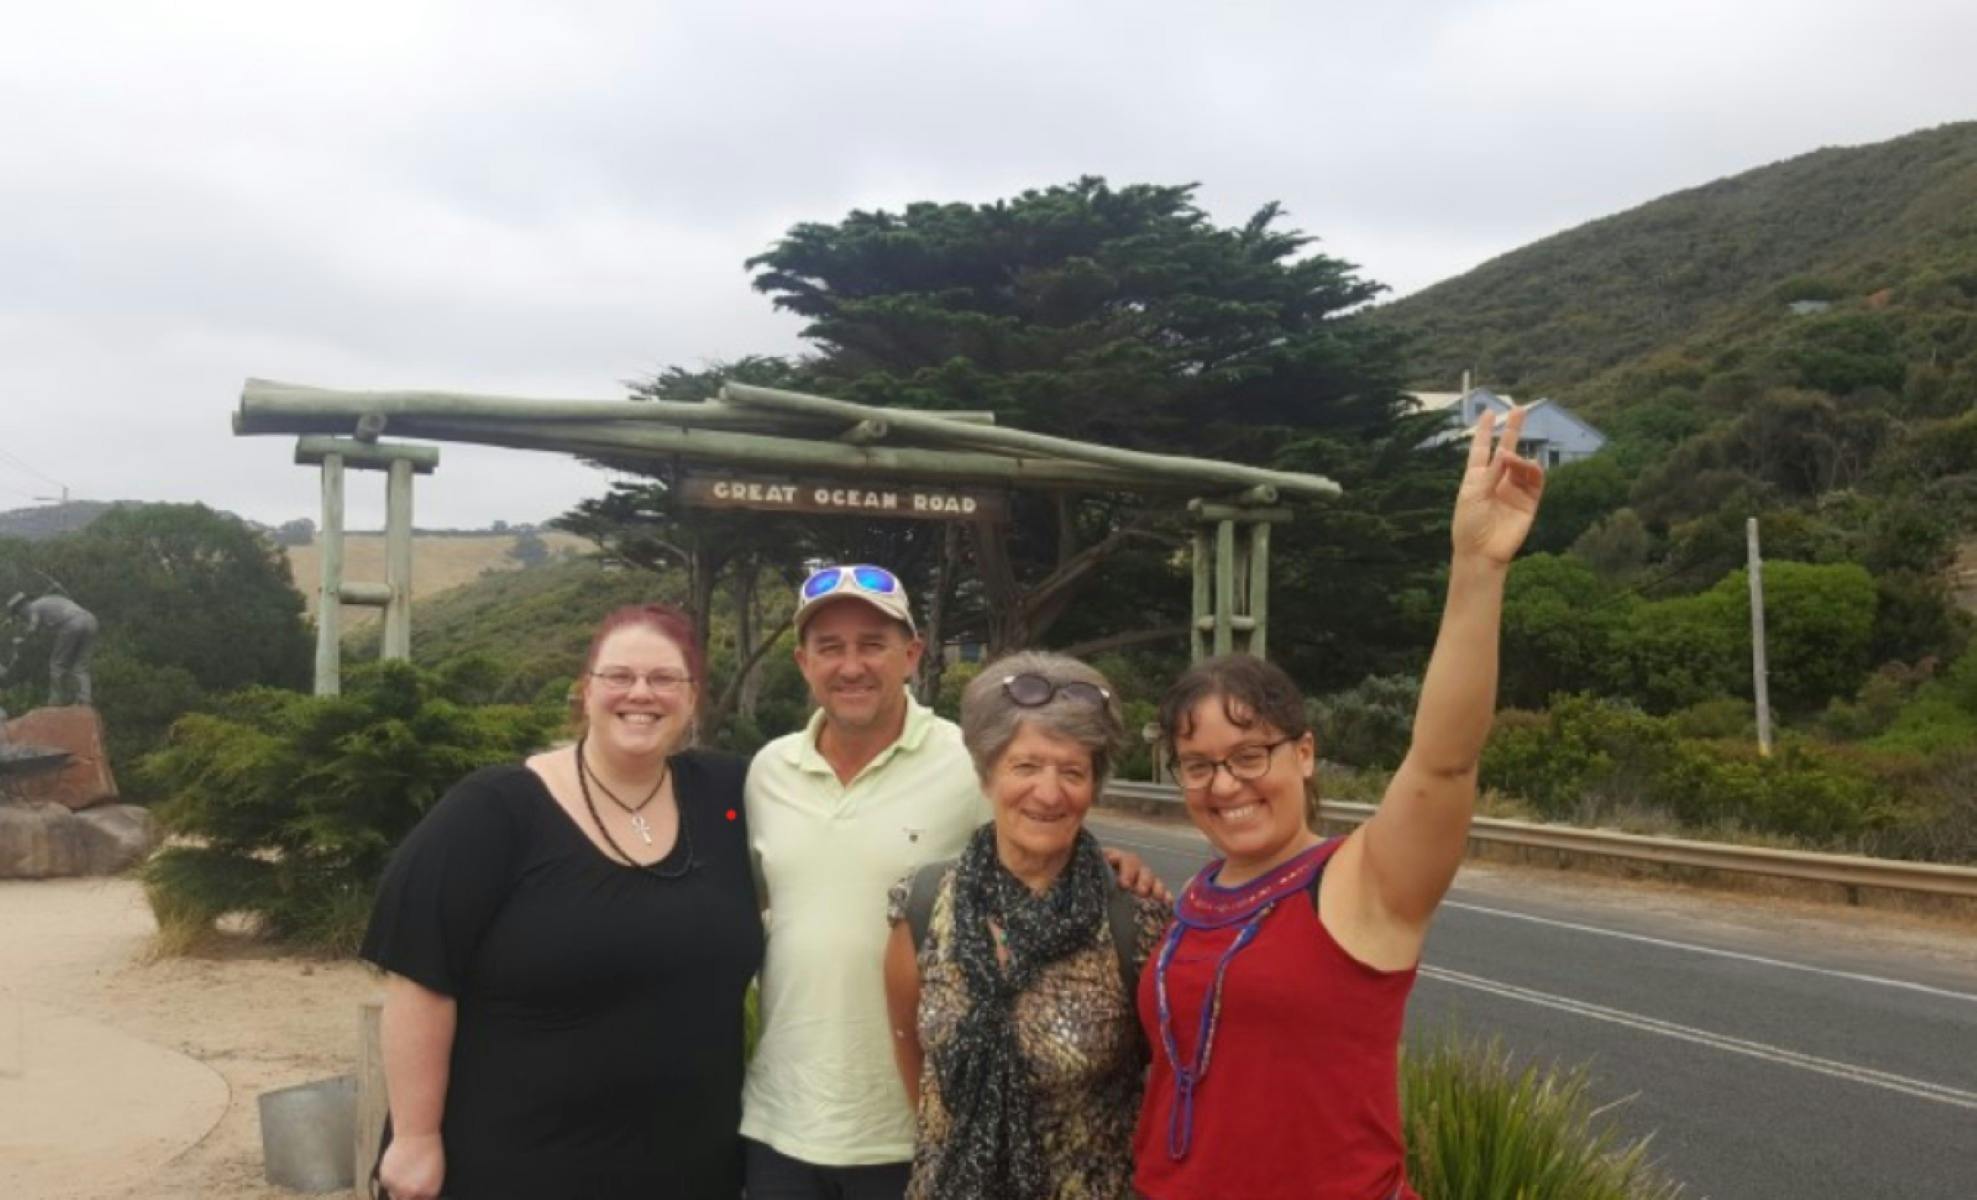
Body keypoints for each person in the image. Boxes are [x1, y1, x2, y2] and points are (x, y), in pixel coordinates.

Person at [1132, 407, 1546, 1200]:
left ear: (1305, 753)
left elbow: (1444, 761)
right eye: (1196, 766)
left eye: (1249, 755)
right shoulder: (1196, 896)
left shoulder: (1362, 883)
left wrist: (1477, 567)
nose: (1225, 786)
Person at [742, 564, 1162, 1200]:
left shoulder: (965, 758)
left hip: (910, 1137)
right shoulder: (766, 773)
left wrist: (1115, 865)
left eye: (873, 645)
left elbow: (1044, 822)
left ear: (911, 654)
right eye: (830, 647)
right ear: (803, 662)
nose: (851, 665)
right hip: (782, 1121)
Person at [360, 603, 763, 1200]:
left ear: (692, 695)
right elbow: (420, 975)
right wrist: (416, 1138)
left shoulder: (728, 794)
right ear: (585, 689)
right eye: (619, 676)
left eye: (664, 679)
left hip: (689, 1165)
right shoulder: (495, 809)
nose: (641, 694)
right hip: (515, 1164)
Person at [882, 651, 1171, 1200]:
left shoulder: (1137, 918)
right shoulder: (923, 904)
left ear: (1093, 787)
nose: (1048, 792)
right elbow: (914, 1057)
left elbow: (1172, 1087)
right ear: (988, 774)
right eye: (1027, 766)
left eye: (1072, 772)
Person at [6, 592, 98, 706]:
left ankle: (56, 702)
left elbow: (33, 626)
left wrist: (21, 639)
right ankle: (84, 699)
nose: (20, 617)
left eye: (18, 613)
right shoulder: (47, 601)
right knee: (80, 666)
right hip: (90, 620)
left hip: (72, 624)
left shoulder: (33, 607)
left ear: (22, 607)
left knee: (57, 664)